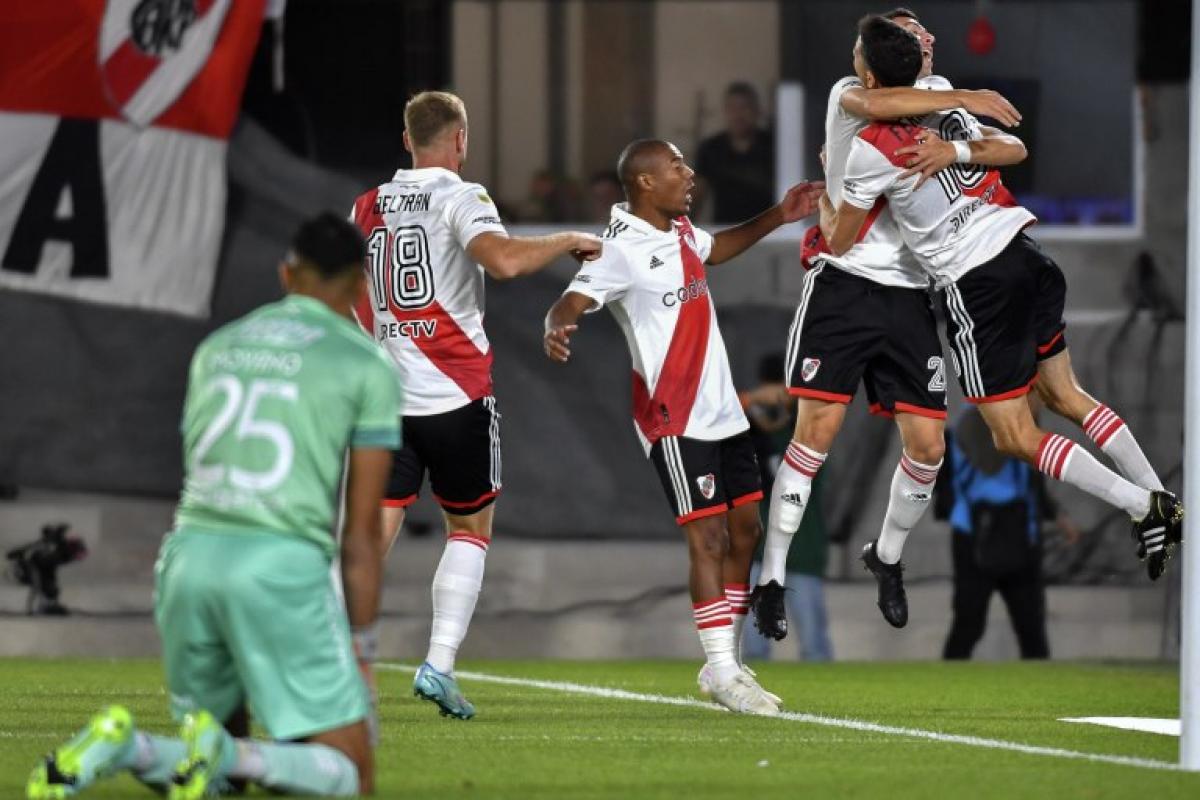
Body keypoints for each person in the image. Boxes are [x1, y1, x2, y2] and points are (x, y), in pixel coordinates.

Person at [27, 214, 402, 798]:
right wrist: (364, 651)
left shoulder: (217, 348)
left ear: (287, 273)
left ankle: (131, 747)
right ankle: (220, 750)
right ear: (360, 286)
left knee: (216, 777)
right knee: (349, 777)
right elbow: (360, 535)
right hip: (278, 566)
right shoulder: (364, 363)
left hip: (189, 561)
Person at [821, 16, 1183, 582]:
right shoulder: (942, 98)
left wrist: (830, 191)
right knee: (1065, 394)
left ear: (867, 73)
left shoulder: (869, 146)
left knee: (1013, 436)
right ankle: (1163, 497)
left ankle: (1143, 506)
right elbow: (1013, 148)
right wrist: (959, 150)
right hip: (1026, 254)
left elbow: (840, 241)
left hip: (978, 283)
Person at [751, 9, 1025, 640]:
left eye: (920, 31)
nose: (922, 39)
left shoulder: (935, 99)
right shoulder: (849, 97)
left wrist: (963, 136)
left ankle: (889, 557)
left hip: (908, 293)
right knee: (815, 435)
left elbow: (1004, 147)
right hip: (842, 287)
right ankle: (771, 578)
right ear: (878, 64)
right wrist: (967, 96)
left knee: (929, 447)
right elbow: (874, 117)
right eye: (906, 35)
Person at [543, 138, 823, 715]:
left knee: (747, 530)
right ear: (645, 182)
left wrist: (780, 214)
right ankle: (722, 670)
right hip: (674, 415)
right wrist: (556, 324)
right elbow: (571, 299)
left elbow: (717, 248)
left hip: (724, 412)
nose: (689, 173)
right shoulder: (617, 249)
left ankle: (728, 663)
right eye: (676, 166)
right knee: (709, 538)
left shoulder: (681, 232)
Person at [349, 91, 602, 719]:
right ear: (460, 140)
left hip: (386, 396)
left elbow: (353, 294)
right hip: (457, 395)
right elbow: (505, 261)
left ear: (408, 139)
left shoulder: (368, 204)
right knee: (468, 528)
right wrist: (569, 237)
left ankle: (333, 658)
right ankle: (438, 664)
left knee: (374, 528)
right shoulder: (462, 196)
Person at [936, 404, 1082, 660]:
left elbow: (1033, 482)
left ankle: (1039, 694)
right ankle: (946, 688)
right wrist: (1017, 421)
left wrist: (1058, 516)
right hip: (974, 535)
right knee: (968, 624)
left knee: (1031, 627)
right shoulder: (975, 420)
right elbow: (990, 462)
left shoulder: (1023, 421)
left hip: (1020, 535)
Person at [694, 82, 776, 223]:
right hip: (726, 234)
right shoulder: (711, 148)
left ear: (757, 111)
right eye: (732, 108)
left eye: (744, 107)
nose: (738, 114)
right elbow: (697, 196)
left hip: (767, 233)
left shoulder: (773, 146)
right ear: (725, 111)